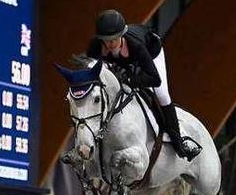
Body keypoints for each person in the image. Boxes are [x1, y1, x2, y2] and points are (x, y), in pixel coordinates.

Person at [86, 9, 201, 161]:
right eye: (106, 40)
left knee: (162, 94)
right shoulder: (95, 47)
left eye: (114, 39)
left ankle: (178, 141)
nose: (111, 44)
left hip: (151, 53)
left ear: (122, 35)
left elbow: (154, 79)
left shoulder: (136, 46)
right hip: (123, 62)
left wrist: (129, 81)